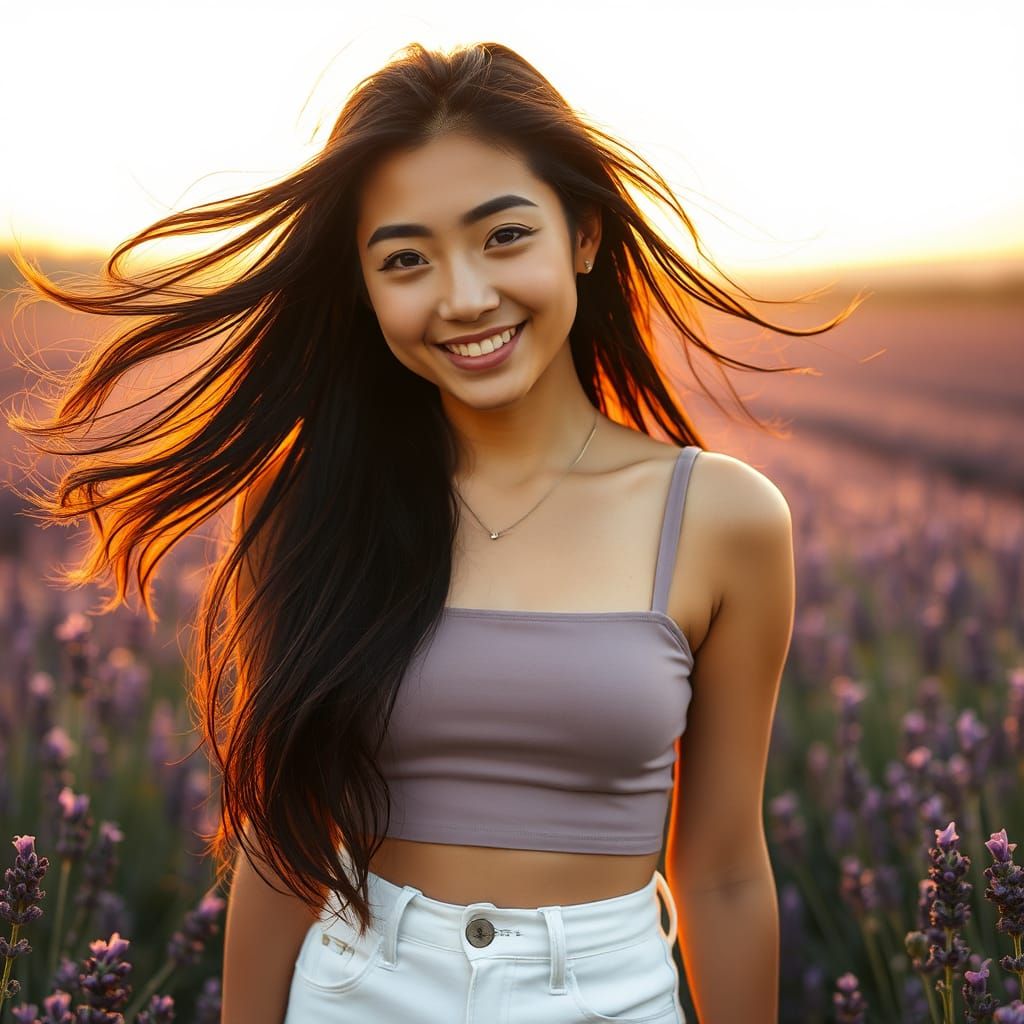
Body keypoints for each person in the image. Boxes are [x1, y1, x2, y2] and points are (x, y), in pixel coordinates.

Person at [7, 40, 865, 1024]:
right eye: (405, 259)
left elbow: (718, 867)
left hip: (605, 996)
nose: (462, 296)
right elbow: (280, 844)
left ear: (582, 233)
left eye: (503, 237)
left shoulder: (724, 518)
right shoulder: (310, 505)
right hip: (357, 987)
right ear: (364, 287)